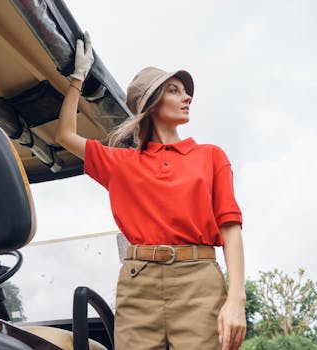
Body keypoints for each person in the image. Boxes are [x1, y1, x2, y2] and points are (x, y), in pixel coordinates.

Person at [55, 32, 246, 350]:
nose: (187, 98)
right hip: (138, 282)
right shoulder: (120, 163)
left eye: (186, 93)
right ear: (152, 103)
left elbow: (231, 227)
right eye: (174, 91)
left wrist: (236, 299)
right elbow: (64, 134)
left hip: (199, 281)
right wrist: (77, 78)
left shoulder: (211, 156)